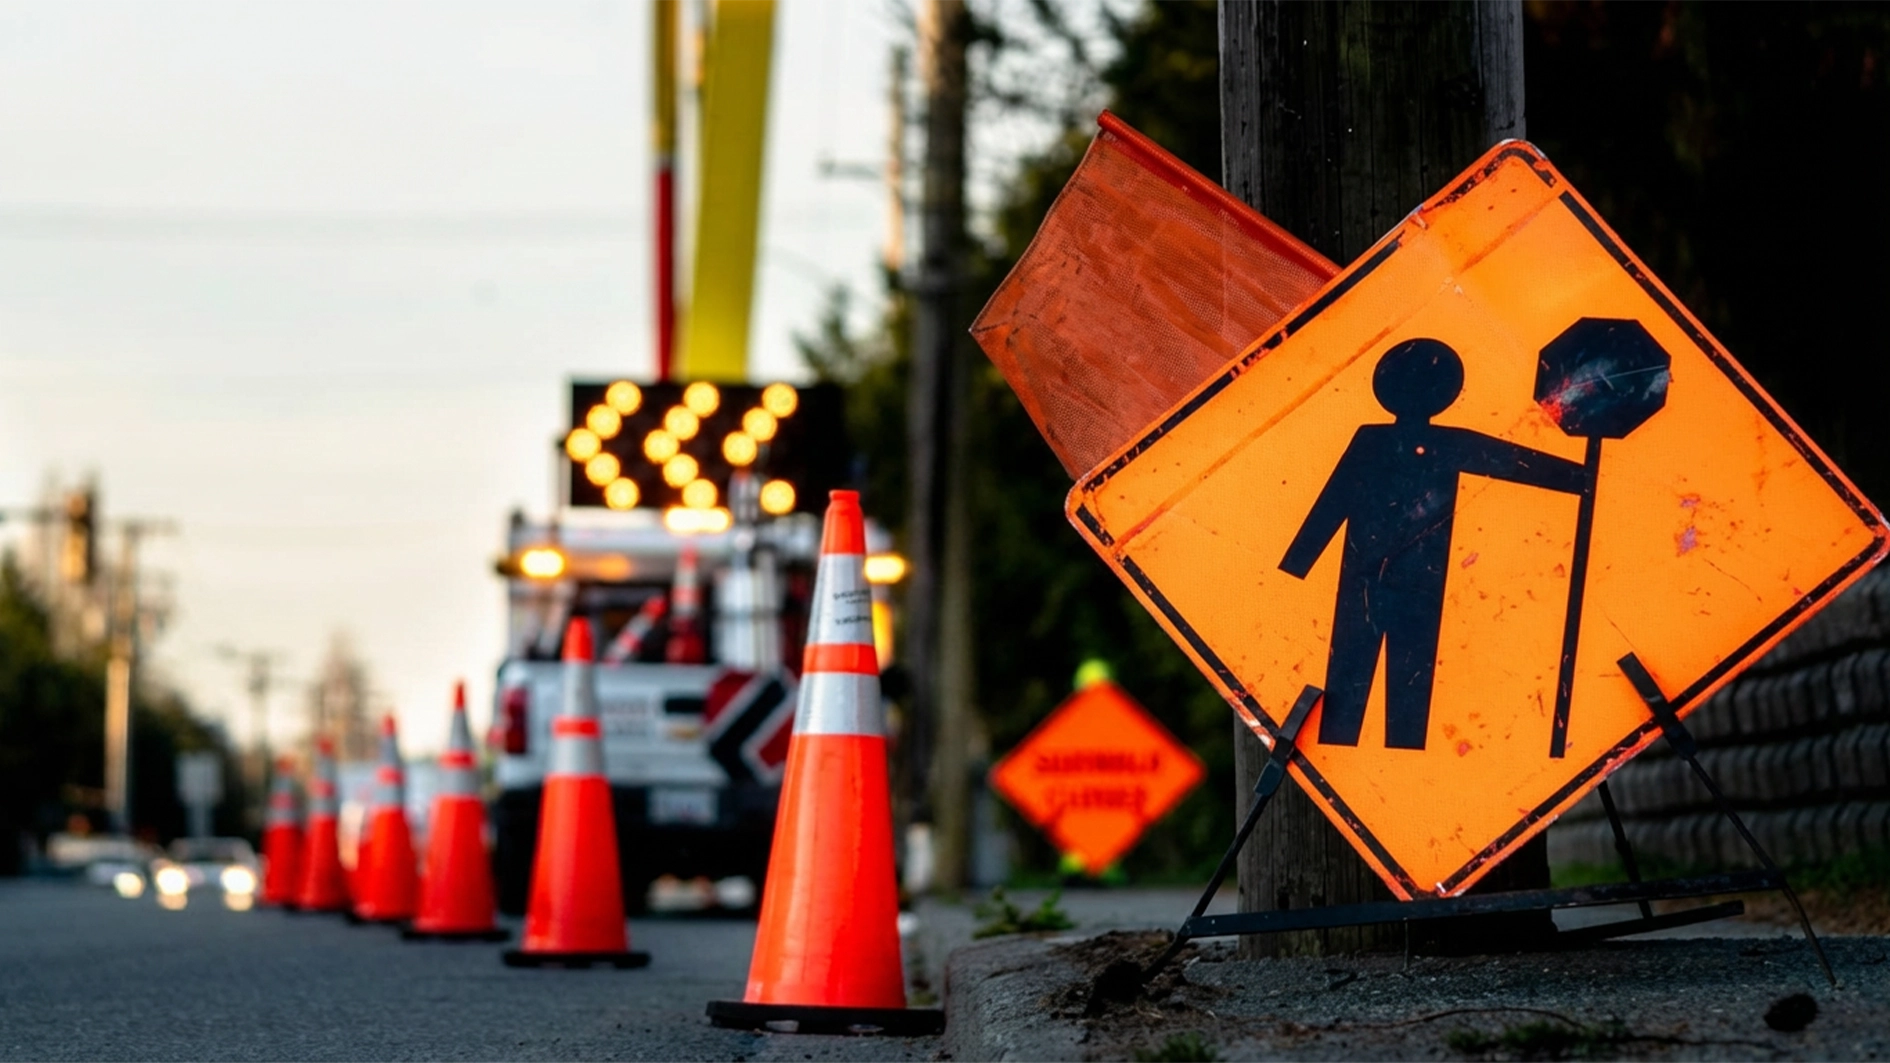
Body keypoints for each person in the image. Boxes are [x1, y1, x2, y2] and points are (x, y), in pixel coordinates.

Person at [1279, 338, 1586, 750]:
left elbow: (1510, 461)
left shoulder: (1440, 442)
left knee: (1407, 687)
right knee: (1350, 684)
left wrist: (1580, 479)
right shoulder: (1377, 441)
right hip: (1369, 579)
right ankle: (1347, 748)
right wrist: (1295, 564)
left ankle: (1399, 755)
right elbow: (1333, 501)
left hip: (1415, 582)